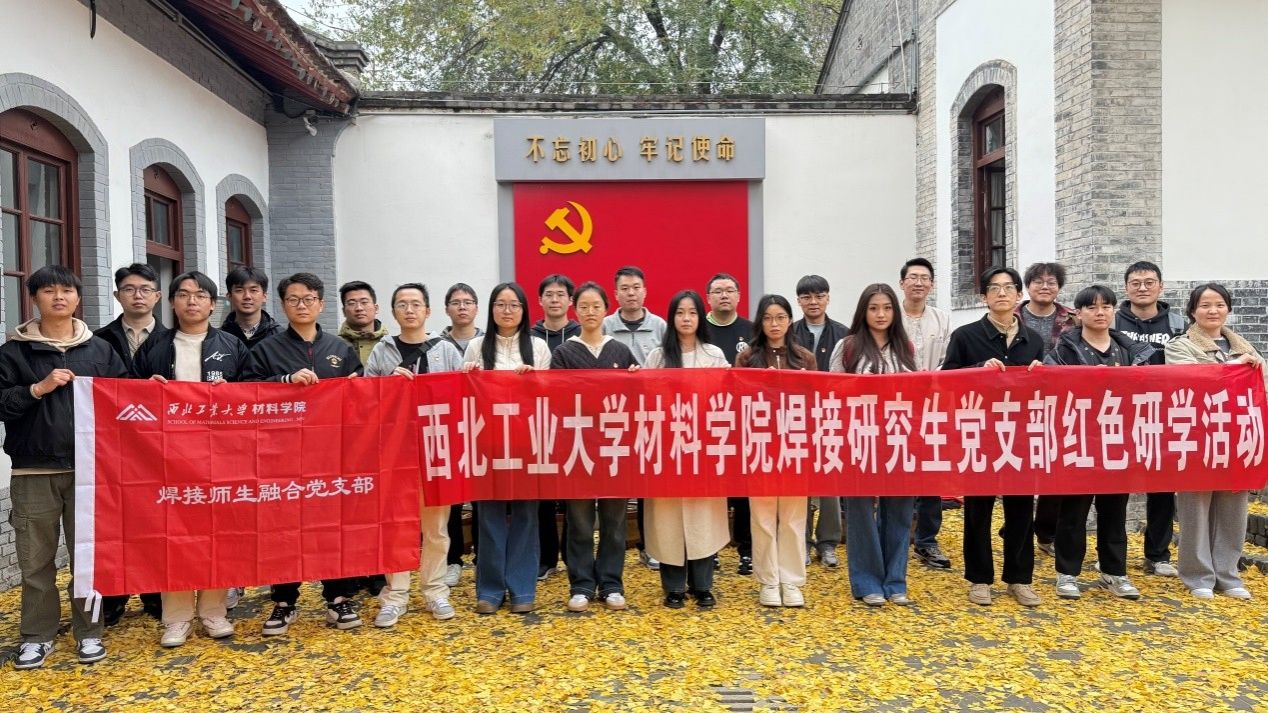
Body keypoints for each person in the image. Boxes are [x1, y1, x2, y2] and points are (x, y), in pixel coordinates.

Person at [0, 265, 127, 669]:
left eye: (67, 291)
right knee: (35, 561)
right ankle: (37, 636)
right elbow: (2, 404)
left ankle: (89, 632)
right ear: (34, 298)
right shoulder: (14, 352)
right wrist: (37, 388)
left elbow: (123, 401)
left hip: (90, 472)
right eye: (49, 291)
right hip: (33, 471)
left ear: (78, 298)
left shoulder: (101, 350)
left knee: (87, 558)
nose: (59, 297)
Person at [132, 271, 253, 646]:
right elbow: (127, 395)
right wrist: (146, 390)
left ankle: (214, 611)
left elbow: (254, 395)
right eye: (183, 295)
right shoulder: (154, 347)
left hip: (221, 457)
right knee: (174, 537)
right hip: (167, 458)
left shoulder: (232, 346)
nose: (191, 301)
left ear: (213, 304)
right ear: (171, 302)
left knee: (219, 535)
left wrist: (232, 393)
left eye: (200, 295)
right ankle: (176, 618)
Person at [249, 272, 364, 634]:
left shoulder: (340, 349)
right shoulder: (266, 350)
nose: (302, 305)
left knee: (333, 525)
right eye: (294, 299)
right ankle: (284, 601)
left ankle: (338, 597)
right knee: (283, 528)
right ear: (283, 305)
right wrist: (284, 382)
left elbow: (360, 395)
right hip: (282, 455)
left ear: (321, 304)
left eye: (309, 298)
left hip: (331, 454)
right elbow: (245, 392)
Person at [1044, 285, 1153, 602]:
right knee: (1073, 511)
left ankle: (1114, 572)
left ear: (1114, 311)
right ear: (1078, 313)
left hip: (1118, 440)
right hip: (1078, 439)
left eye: (1106, 306)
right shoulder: (1063, 351)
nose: (1100, 312)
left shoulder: (1131, 350)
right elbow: (1050, 388)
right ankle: (1067, 573)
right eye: (1091, 307)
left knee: (1114, 511)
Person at [364, 283, 464, 625]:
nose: (409, 310)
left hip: (435, 450)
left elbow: (461, 396)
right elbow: (365, 400)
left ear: (428, 311)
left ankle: (435, 590)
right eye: (402, 304)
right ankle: (396, 595)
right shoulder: (382, 351)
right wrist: (386, 385)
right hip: (394, 453)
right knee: (396, 526)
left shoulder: (446, 350)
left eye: (416, 304)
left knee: (436, 528)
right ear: (393, 311)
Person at [943, 267, 1044, 607]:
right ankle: (979, 578)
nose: (1002, 293)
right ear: (983, 297)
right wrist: (977, 371)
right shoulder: (965, 336)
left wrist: (1041, 375)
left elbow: (1043, 391)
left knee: (1020, 510)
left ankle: (1019, 578)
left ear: (1019, 295)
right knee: (978, 510)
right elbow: (947, 379)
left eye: (1008, 287)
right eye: (994, 288)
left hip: (1020, 434)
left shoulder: (1033, 339)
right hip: (980, 433)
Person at [1164, 283, 1264, 601]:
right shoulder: (1179, 346)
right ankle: (1198, 575)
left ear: (1228, 309)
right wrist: (1233, 368)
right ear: (1192, 311)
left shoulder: (1245, 347)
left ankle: (1228, 574)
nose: (1213, 311)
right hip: (1196, 437)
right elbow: (1188, 378)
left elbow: (1261, 387)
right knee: (1195, 508)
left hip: (1236, 438)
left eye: (1219, 304)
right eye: (1205, 305)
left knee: (1234, 508)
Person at [463, 282, 551, 615]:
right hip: (488, 444)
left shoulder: (538, 347)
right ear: (491, 309)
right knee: (489, 517)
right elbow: (464, 395)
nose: (507, 310)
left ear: (524, 310)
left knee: (527, 516)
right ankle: (490, 589)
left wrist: (535, 379)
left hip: (527, 444)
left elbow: (550, 396)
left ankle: (522, 588)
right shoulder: (476, 346)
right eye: (500, 304)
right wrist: (468, 376)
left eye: (514, 305)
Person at [554, 282, 640, 611]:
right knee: (579, 520)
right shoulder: (564, 353)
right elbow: (555, 400)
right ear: (575, 310)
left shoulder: (620, 351)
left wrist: (636, 377)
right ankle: (581, 584)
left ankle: (611, 583)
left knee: (614, 520)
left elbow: (636, 398)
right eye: (584, 306)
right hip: (577, 447)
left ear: (606, 309)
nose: (590, 312)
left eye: (596, 306)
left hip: (614, 447)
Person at [830, 284, 918, 606]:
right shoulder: (848, 346)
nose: (881, 314)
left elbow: (919, 390)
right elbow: (832, 391)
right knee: (861, 512)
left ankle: (895, 580)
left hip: (898, 438)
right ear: (863, 312)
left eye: (887, 308)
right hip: (859, 438)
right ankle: (867, 581)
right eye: (873, 308)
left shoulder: (906, 347)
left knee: (899, 511)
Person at [643, 290, 730, 609]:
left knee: (702, 516)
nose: (686, 319)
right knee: (667, 519)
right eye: (680, 313)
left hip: (703, 448)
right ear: (671, 318)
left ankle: (703, 585)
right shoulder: (657, 357)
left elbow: (727, 397)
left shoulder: (714, 355)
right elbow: (644, 399)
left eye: (692, 312)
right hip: (667, 449)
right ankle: (674, 586)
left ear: (700, 317)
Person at [94, 263, 168, 624]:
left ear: (157, 296)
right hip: (112, 448)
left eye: (145, 289)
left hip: (160, 449)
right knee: (113, 524)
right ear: (116, 295)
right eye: (129, 289)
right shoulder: (98, 341)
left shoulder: (173, 341)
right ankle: (113, 596)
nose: (137, 296)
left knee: (156, 522)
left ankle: (155, 594)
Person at [735, 294, 816, 607]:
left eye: (780, 317)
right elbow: (737, 401)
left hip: (795, 446)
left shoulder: (804, 358)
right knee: (763, 516)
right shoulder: (747, 358)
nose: (774, 324)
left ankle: (792, 580)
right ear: (760, 322)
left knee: (794, 518)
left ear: (790, 321)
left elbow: (816, 402)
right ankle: (768, 579)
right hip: (760, 445)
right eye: (768, 318)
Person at [1115, 260, 1186, 577]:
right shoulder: (1112, 320)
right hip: (1120, 415)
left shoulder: (1178, 324)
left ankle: (1157, 555)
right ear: (1126, 287)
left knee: (1163, 489)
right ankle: (1112, 557)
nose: (1142, 288)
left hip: (1165, 415)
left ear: (1161, 286)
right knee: (1115, 488)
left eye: (1149, 282)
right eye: (1135, 283)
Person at [601, 266, 666, 570]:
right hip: (611, 416)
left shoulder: (660, 326)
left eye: (636, 287)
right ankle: (611, 549)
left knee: (648, 486)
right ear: (615, 294)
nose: (631, 293)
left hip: (649, 416)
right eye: (624, 288)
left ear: (645, 291)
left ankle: (650, 545)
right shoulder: (604, 325)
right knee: (615, 484)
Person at [1017, 262, 1077, 556]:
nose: (1044, 287)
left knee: (1056, 468)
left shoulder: (1073, 319)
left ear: (1059, 287)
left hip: (1060, 402)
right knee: (1021, 468)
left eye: (1051, 282)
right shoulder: (1011, 316)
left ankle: (1045, 531)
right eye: (1038, 281)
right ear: (1027, 286)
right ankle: (1018, 528)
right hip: (1018, 403)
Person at [898, 258, 954, 570]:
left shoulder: (942, 319)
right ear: (902, 283)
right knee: (899, 471)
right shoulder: (890, 316)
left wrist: (931, 381)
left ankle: (927, 539)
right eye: (913, 277)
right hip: (897, 406)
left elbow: (949, 359)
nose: (918, 283)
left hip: (933, 405)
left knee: (931, 473)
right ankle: (897, 535)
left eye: (924, 278)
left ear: (931, 285)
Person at [790, 274, 848, 569]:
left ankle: (827, 543)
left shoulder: (844, 334)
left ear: (828, 298)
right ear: (798, 301)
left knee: (829, 481)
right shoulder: (789, 333)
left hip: (831, 416)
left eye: (819, 296)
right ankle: (800, 540)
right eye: (807, 297)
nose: (813, 302)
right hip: (796, 417)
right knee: (799, 482)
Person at [529, 273, 580, 581]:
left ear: (570, 301)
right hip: (540, 424)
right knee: (543, 495)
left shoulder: (580, 335)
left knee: (574, 495)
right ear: (540, 300)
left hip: (574, 424)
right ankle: (545, 558)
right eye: (549, 294)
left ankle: (573, 557)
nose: (555, 299)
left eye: (561, 294)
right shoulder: (531, 337)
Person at [705, 272, 755, 575]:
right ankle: (710, 549)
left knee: (743, 489)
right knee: (713, 490)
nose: (724, 295)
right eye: (718, 291)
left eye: (729, 290)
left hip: (743, 421)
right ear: (708, 297)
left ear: (738, 296)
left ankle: (746, 550)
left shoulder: (751, 329)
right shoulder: (700, 329)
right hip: (708, 421)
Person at [440, 282, 484, 585]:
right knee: (452, 498)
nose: (462, 307)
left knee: (482, 497)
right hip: (449, 428)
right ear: (446, 309)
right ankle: (453, 559)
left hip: (481, 428)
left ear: (476, 308)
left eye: (468, 302)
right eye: (456, 302)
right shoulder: (436, 345)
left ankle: (483, 557)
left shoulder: (487, 342)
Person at [221, 266, 282, 349]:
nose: (247, 296)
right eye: (239, 290)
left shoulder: (280, 337)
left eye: (253, 290)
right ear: (229, 296)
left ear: (264, 296)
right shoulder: (218, 337)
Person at [337, 280, 388, 365]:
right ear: (344, 311)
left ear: (376, 308)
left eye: (364, 302)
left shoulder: (390, 345)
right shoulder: (334, 346)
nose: (359, 308)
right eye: (352, 303)